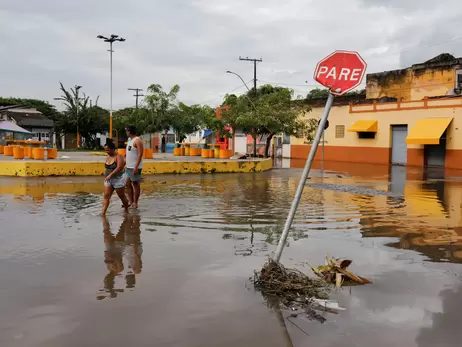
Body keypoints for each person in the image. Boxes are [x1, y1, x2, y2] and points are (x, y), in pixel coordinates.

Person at [102, 139, 130, 215]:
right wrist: (108, 175)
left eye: (108, 150)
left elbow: (119, 168)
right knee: (106, 196)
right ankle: (103, 213)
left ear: (112, 149)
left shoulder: (118, 156)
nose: (106, 152)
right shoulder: (108, 156)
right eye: (105, 150)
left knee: (121, 196)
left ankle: (126, 209)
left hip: (118, 179)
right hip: (108, 180)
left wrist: (110, 175)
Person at [125, 125, 144, 209]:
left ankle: (135, 202)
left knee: (135, 184)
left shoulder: (137, 140)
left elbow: (140, 154)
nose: (126, 132)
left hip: (135, 166)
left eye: (127, 130)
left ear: (130, 131)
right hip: (128, 166)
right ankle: (131, 201)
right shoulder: (130, 140)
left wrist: (136, 167)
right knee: (127, 183)